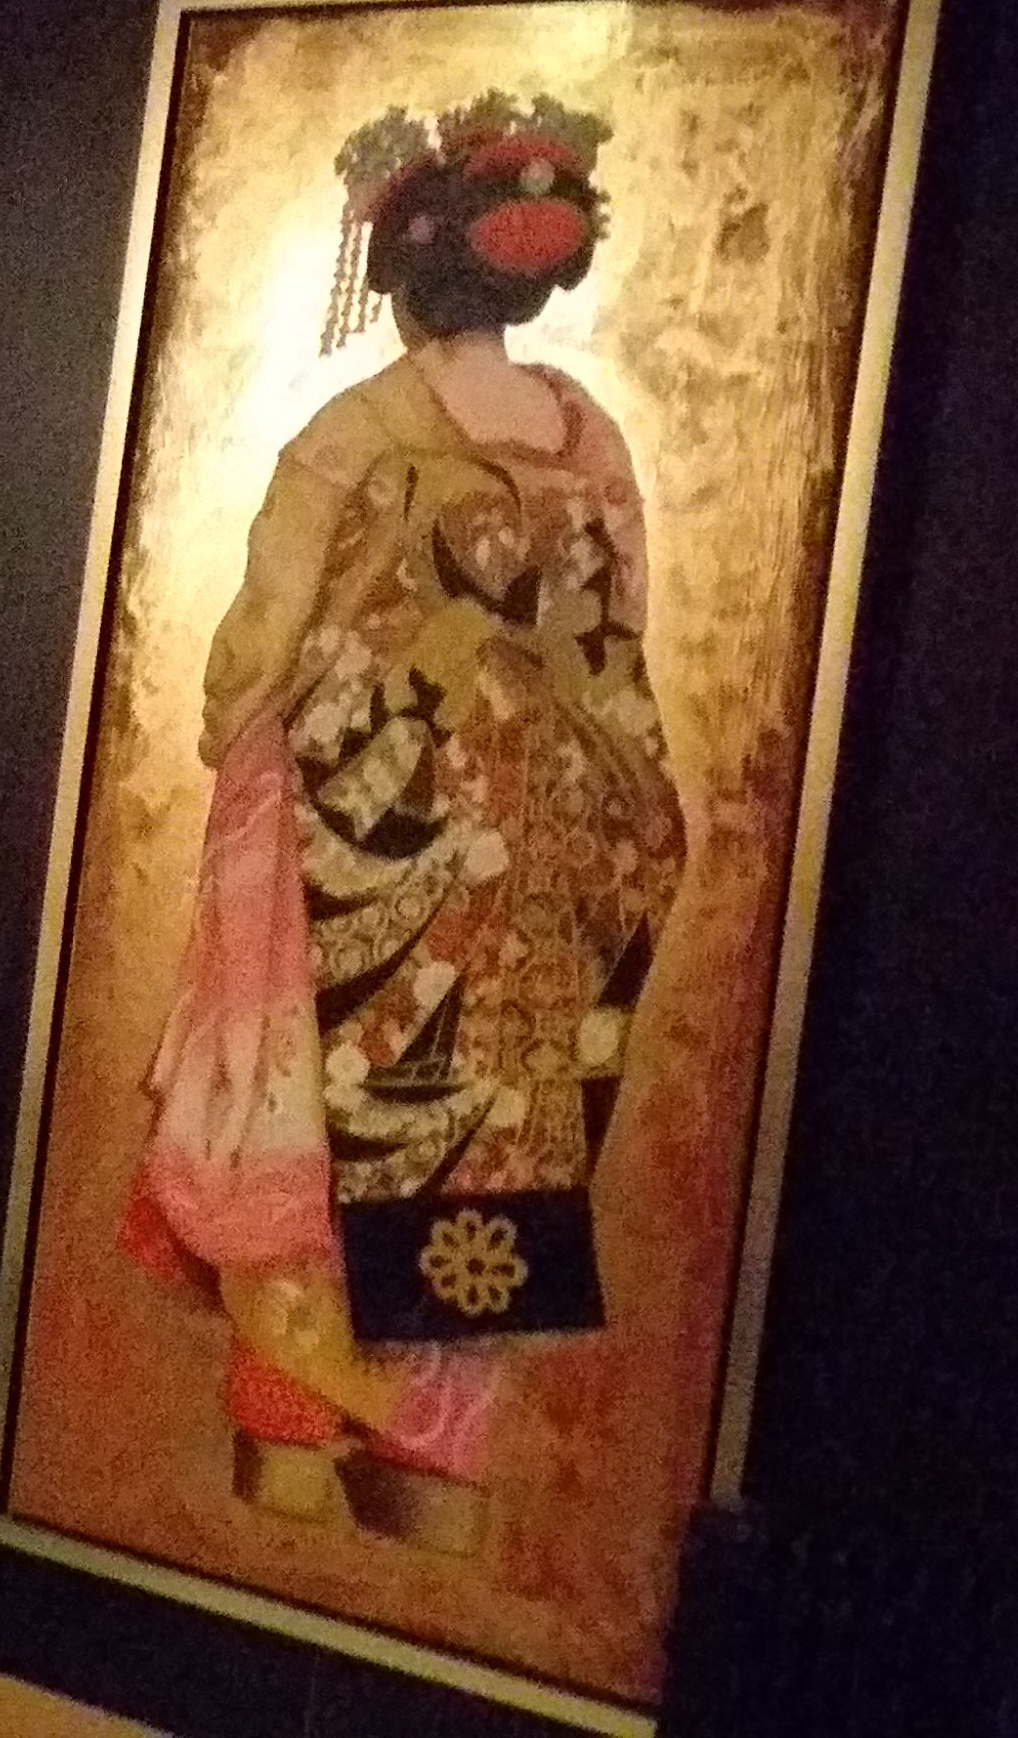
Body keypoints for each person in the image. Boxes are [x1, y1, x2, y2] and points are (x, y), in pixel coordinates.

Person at [121, 93, 685, 1555]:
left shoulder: (358, 429)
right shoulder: (595, 441)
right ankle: (426, 1544)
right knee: (476, 1170)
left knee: (305, 1158)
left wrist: (242, 728)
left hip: (353, 840)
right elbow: (618, 636)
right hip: (538, 861)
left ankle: (280, 1541)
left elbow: (259, 644)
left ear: (405, 278)